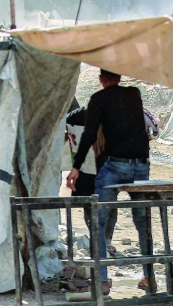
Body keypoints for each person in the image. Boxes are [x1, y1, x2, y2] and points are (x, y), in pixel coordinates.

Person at [66, 70, 151, 295]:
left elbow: (89, 135)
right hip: (141, 166)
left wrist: (76, 167)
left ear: (100, 79)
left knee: (98, 221)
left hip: (115, 166)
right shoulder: (134, 94)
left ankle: (102, 281)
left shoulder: (98, 99)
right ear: (120, 77)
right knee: (143, 222)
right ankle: (149, 277)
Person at [64, 102, 117, 250]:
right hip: (106, 165)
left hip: (86, 167)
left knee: (90, 204)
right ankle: (106, 241)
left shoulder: (80, 114)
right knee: (109, 204)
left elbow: (66, 122)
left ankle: (97, 239)